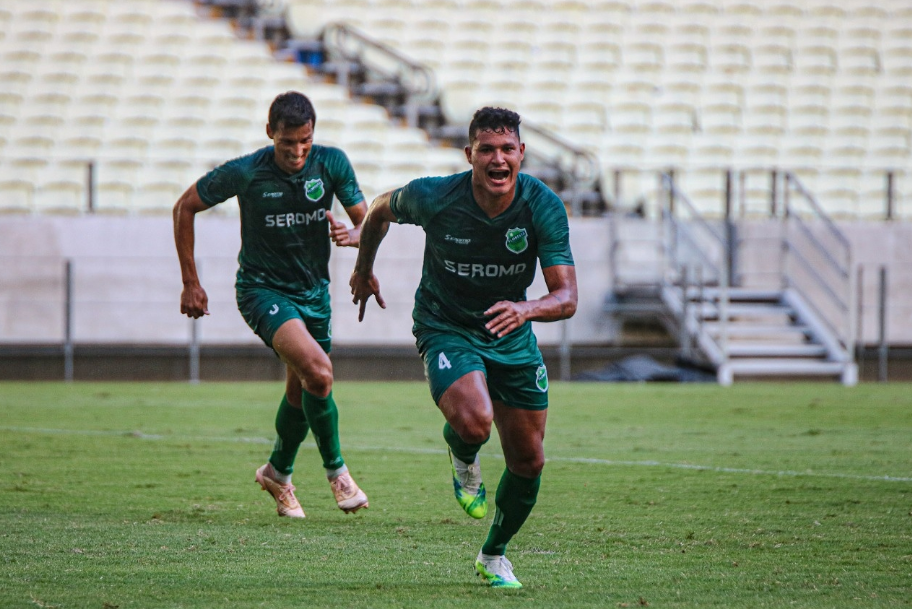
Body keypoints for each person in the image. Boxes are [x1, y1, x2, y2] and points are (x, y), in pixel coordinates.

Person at [350, 107, 577, 588]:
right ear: (469, 154)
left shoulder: (542, 205)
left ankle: (493, 556)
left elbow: (567, 297)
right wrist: (363, 267)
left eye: (507, 150)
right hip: (445, 324)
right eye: (487, 150)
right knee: (474, 421)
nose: (498, 159)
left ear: (522, 154)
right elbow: (378, 209)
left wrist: (527, 309)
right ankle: (463, 453)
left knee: (529, 461)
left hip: (511, 334)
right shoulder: (434, 195)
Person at [174, 91, 369, 519]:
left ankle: (277, 473)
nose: (298, 152)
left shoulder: (332, 163)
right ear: (270, 134)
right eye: (287, 144)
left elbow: (364, 220)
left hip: (315, 293)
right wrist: (191, 281)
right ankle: (337, 472)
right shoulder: (246, 172)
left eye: (305, 142)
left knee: (302, 390)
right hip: (262, 291)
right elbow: (185, 206)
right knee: (319, 373)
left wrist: (358, 242)